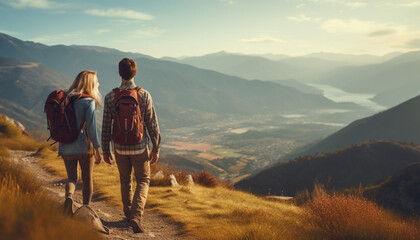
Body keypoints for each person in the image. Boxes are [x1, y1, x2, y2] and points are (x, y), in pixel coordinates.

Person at [102, 58, 161, 233]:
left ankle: (128, 216)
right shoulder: (144, 95)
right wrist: (156, 147)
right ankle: (136, 216)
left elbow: (106, 126)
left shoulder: (110, 96)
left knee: (125, 181)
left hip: (119, 148)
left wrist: (105, 150)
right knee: (143, 180)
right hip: (140, 147)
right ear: (135, 73)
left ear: (119, 73)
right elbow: (152, 124)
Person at [58, 70, 102, 214]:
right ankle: (86, 210)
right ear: (90, 84)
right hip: (84, 146)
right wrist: (97, 148)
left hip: (66, 145)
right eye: (96, 82)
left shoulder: (65, 99)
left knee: (71, 178)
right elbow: (91, 127)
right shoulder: (88, 101)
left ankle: (69, 198)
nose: (98, 84)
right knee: (87, 179)